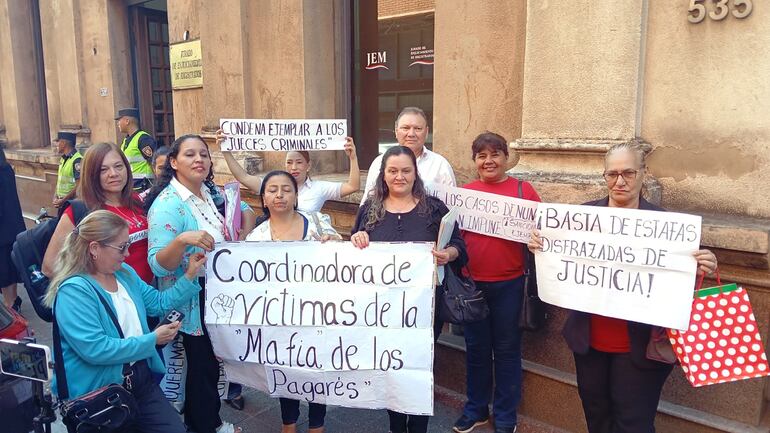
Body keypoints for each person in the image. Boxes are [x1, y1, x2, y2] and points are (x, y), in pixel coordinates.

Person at [528, 142, 718, 433]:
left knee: (634, 423)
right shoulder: (582, 218)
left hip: (641, 347)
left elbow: (674, 279)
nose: (620, 181)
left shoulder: (668, 226)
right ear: (604, 176)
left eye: (628, 172)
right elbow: (562, 261)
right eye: (612, 174)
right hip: (590, 343)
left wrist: (702, 265)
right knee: (597, 416)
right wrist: (542, 247)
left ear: (643, 173)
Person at [43, 210, 206, 433]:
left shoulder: (124, 273)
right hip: (100, 392)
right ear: (94, 249)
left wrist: (189, 276)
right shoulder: (74, 292)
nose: (128, 253)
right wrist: (152, 340)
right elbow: (96, 349)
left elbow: (158, 303)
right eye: (121, 247)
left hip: (140, 378)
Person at [351, 145, 467, 433]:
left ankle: (418, 427)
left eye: (406, 170)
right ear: (383, 175)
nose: (399, 176)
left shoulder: (435, 208)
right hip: (382, 310)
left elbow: (460, 248)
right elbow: (354, 248)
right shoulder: (369, 209)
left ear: (416, 174)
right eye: (393, 171)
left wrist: (449, 254)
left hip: (426, 308)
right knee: (391, 368)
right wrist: (358, 237)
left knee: (420, 368)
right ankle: (395, 426)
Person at [145, 134, 247, 433]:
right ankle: (204, 426)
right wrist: (181, 240)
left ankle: (207, 421)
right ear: (174, 163)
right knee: (201, 367)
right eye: (190, 155)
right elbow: (158, 264)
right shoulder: (167, 205)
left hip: (216, 293)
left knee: (211, 365)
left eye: (203, 154)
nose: (199, 159)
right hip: (193, 298)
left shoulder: (207, 192)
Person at [453, 132, 540, 433]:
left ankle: (505, 415)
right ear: (475, 160)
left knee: (506, 351)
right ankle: (475, 408)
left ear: (506, 158)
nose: (489, 161)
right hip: (472, 285)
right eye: (482, 156)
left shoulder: (523, 191)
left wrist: (536, 239)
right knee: (476, 350)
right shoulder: (464, 193)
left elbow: (542, 232)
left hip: (510, 285)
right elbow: (453, 236)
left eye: (495, 154)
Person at [245, 170, 341, 433]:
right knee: (284, 367)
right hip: (278, 318)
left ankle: (317, 424)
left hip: (318, 314)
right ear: (263, 198)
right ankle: (288, 422)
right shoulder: (255, 239)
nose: (279, 195)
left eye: (286, 189)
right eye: (272, 190)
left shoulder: (318, 222)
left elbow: (342, 260)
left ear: (296, 195)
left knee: (318, 367)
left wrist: (334, 243)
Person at [43, 142, 153, 284]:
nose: (113, 174)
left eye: (118, 166)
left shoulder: (137, 201)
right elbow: (49, 266)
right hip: (112, 300)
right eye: (103, 170)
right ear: (91, 174)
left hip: (149, 296)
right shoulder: (80, 211)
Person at [217, 130, 360, 213]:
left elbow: (352, 186)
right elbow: (243, 177)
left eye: (299, 163)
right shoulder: (273, 185)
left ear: (308, 165)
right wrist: (226, 152)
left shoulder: (319, 188)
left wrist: (352, 157)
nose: (294, 168)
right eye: (289, 163)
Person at [360, 107, 455, 205]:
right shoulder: (379, 163)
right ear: (396, 131)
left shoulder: (440, 165)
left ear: (426, 132)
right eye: (405, 128)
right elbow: (368, 205)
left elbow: (451, 210)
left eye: (418, 128)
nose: (411, 134)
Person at [0, 144, 25, 311]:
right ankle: (13, 301)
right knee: (8, 266)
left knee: (5, 269)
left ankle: (11, 304)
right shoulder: (6, 168)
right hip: (11, 227)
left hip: (4, 228)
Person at [116, 108, 157, 191]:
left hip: (144, 186)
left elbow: (154, 162)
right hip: (132, 186)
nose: (118, 123)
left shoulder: (143, 139)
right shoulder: (126, 140)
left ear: (127, 121)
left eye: (119, 120)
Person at [53, 131, 82, 208]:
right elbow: (60, 180)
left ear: (63, 143)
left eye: (58, 141)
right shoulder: (63, 159)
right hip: (62, 202)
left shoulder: (77, 160)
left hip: (71, 203)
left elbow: (79, 186)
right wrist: (56, 196)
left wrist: (64, 200)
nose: (56, 145)